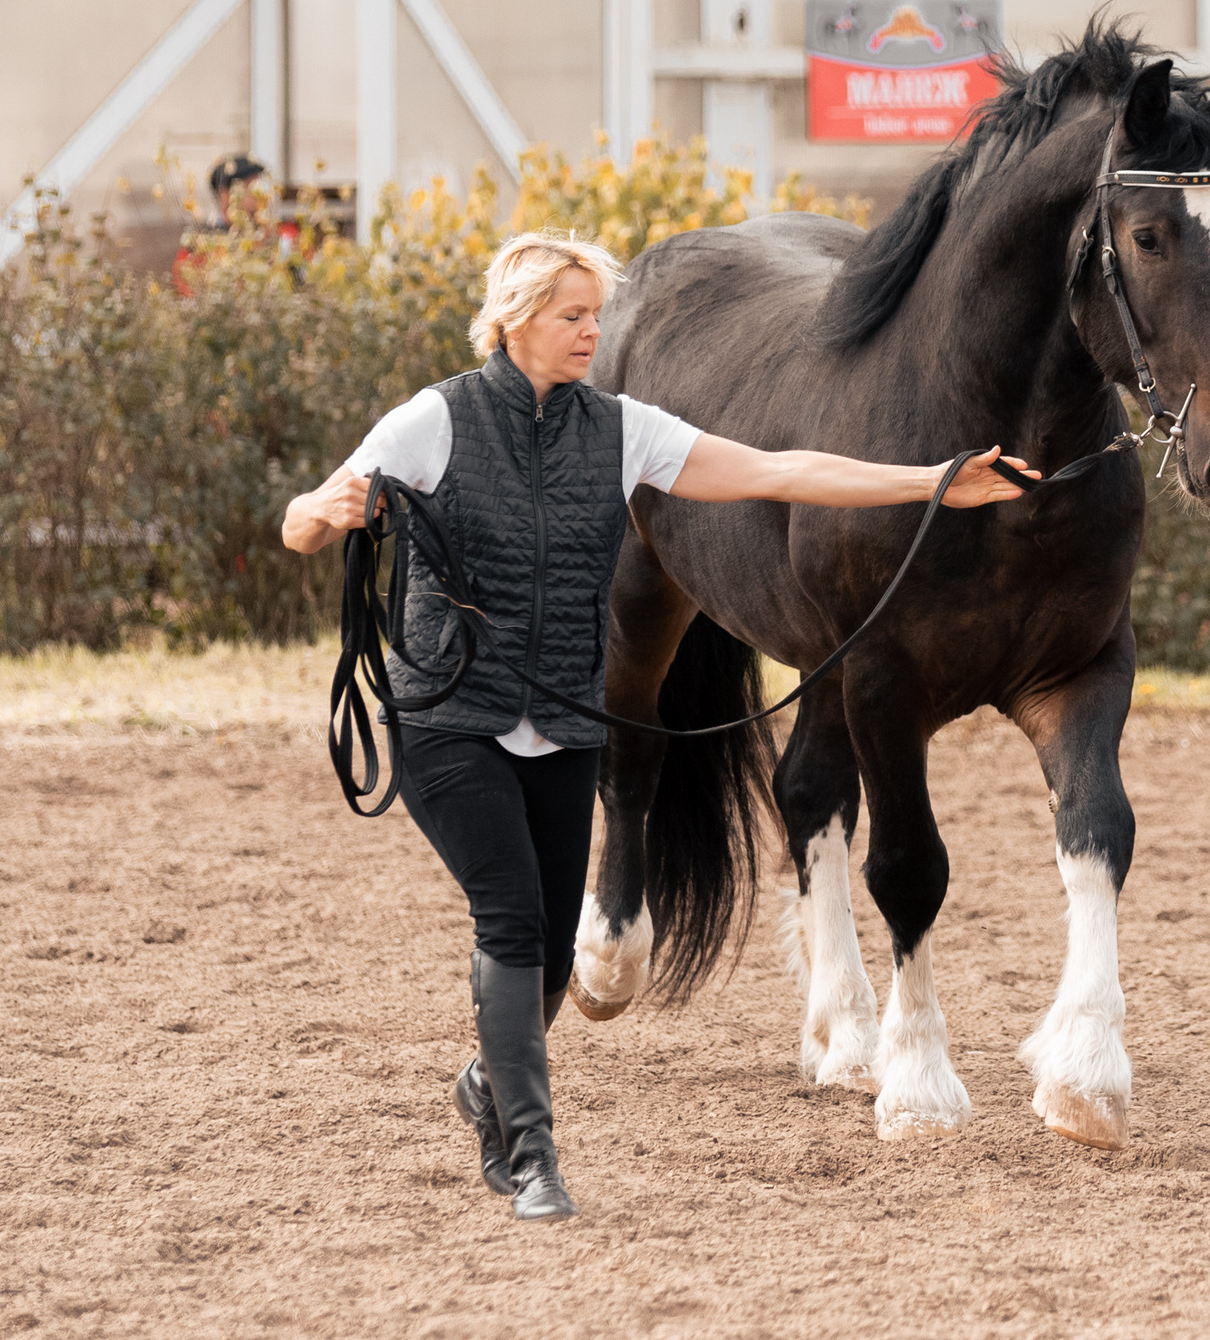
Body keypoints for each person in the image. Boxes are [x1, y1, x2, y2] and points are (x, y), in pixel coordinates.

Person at [280, 231, 1033, 1222]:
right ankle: (530, 1156)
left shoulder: (621, 428)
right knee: (513, 925)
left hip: (559, 721)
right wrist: (321, 509)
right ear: (513, 321)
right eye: (571, 316)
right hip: (450, 719)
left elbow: (781, 470)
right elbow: (302, 521)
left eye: (597, 313)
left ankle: (488, 1080)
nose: (595, 331)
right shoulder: (436, 420)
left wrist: (932, 479)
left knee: (550, 954)